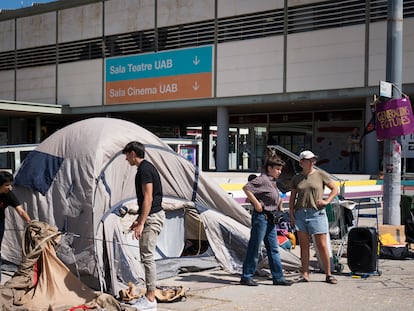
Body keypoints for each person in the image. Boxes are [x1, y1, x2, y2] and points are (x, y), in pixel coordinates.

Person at [122, 141, 165, 311]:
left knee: (147, 257)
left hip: (153, 217)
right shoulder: (146, 168)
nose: (126, 159)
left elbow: (148, 198)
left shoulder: (144, 170)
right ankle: (149, 296)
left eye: (127, 155)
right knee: (146, 257)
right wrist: (139, 219)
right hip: (151, 215)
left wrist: (141, 222)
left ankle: (150, 299)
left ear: (133, 153)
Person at [240, 155, 293, 287]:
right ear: (269, 168)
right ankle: (247, 276)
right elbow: (246, 188)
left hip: (270, 217)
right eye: (277, 169)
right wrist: (257, 204)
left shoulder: (272, 181)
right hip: (261, 217)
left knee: (273, 248)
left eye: (281, 169)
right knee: (255, 246)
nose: (279, 172)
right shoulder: (262, 179)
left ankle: (278, 277)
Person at [289, 150, 339, 284]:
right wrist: (292, 215)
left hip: (317, 213)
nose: (311, 162)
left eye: (313, 160)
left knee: (322, 244)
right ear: (301, 162)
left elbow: (335, 189)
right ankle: (305, 273)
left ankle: (328, 274)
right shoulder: (296, 178)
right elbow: (292, 198)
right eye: (308, 160)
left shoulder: (320, 174)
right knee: (304, 245)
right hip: (300, 213)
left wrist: (326, 201)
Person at [0, 171, 31, 281]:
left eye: (10, 184)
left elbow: (21, 211)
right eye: (6, 185)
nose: (10, 187)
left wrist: (30, 223)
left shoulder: (8, 194)